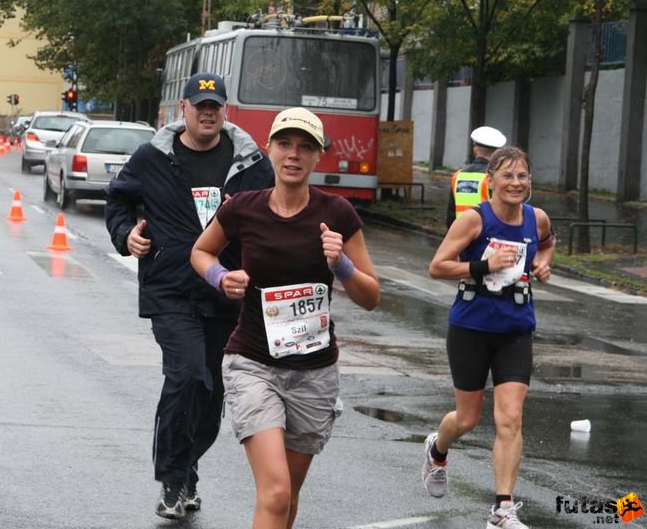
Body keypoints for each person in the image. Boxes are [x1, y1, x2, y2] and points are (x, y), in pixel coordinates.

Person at [190, 107, 380, 529]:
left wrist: (342, 265)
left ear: (318, 157)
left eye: (305, 147)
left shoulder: (339, 214)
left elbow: (371, 296)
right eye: (285, 144)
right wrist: (221, 277)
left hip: (314, 374)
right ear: (269, 150)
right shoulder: (243, 208)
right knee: (275, 492)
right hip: (253, 365)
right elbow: (200, 252)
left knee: (288, 496)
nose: (293, 154)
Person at [103, 72, 274, 520]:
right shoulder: (153, 157)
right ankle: (173, 479)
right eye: (199, 106)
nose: (207, 113)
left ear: (225, 113)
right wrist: (127, 237)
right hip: (171, 289)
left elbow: (276, 213)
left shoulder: (250, 162)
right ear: (184, 109)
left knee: (212, 393)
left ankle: (187, 467)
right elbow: (118, 201)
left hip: (228, 293)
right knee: (189, 376)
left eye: (215, 106)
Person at [424, 146, 555, 529]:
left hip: (515, 328)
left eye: (522, 176)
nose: (516, 183)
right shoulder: (473, 221)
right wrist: (484, 265)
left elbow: (547, 243)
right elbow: (437, 267)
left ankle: (502, 509)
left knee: (510, 418)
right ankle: (437, 448)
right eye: (508, 176)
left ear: (529, 182)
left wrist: (544, 264)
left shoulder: (537, 218)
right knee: (466, 419)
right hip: (471, 327)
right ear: (490, 181)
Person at [446, 126, 506, 229]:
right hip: (487, 234)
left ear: (475, 151)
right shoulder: (494, 176)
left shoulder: (458, 175)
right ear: (497, 154)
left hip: (461, 233)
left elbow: (451, 213)